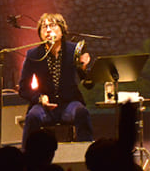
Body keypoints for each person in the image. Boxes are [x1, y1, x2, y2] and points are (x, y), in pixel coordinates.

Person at [19, 13, 94, 148]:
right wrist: (40, 98)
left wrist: (83, 68)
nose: (48, 30)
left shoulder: (74, 50)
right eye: (44, 27)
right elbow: (23, 88)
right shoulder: (33, 54)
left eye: (52, 26)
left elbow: (89, 85)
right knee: (32, 117)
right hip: (43, 106)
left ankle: (87, 155)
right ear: (40, 33)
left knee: (82, 112)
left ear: (62, 30)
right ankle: (27, 159)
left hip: (69, 103)